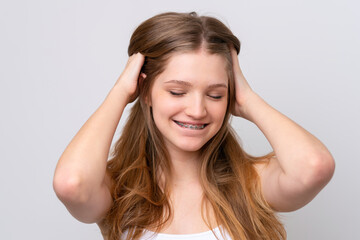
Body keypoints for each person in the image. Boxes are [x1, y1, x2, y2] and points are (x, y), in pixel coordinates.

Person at [53, 11, 335, 240]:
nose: (197, 110)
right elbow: (71, 183)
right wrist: (120, 93)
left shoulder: (251, 184)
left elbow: (314, 167)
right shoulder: (117, 190)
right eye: (177, 92)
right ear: (145, 90)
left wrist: (248, 100)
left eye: (215, 95)